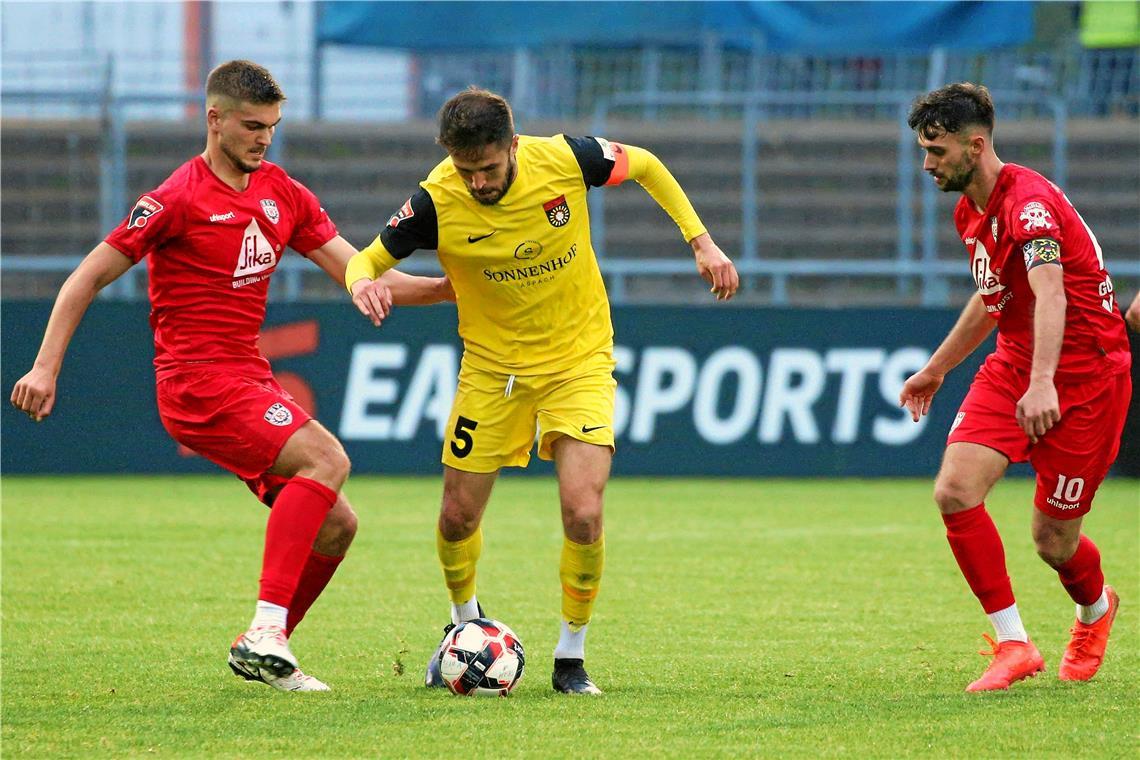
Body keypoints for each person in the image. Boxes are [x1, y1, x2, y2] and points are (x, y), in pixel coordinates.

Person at [9, 60, 453, 692]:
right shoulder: (174, 198)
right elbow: (87, 277)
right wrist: (45, 366)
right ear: (213, 119)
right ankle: (266, 627)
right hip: (195, 382)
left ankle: (266, 651)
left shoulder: (285, 194)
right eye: (251, 126)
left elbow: (362, 272)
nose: (262, 138)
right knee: (327, 458)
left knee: (338, 523)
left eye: (271, 127)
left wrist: (445, 289)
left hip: (249, 376)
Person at [345, 87, 739, 694]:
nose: (477, 182)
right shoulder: (434, 200)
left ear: (513, 145)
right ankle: (463, 627)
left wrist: (701, 241)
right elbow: (364, 259)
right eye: (465, 170)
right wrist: (360, 283)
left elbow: (649, 166)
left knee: (583, 512)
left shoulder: (566, 159)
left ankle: (571, 657)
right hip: (491, 372)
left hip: (578, 362)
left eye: (488, 168)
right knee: (455, 518)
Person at [899, 83, 1131, 692]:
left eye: (936, 151)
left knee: (1053, 541)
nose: (927, 164)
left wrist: (1045, 383)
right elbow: (994, 297)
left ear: (975, 146)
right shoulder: (968, 211)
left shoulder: (1027, 203)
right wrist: (939, 367)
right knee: (954, 491)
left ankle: (1095, 610)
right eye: (924, 150)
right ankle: (1014, 645)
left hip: (1086, 378)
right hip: (1016, 366)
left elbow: (1051, 290)